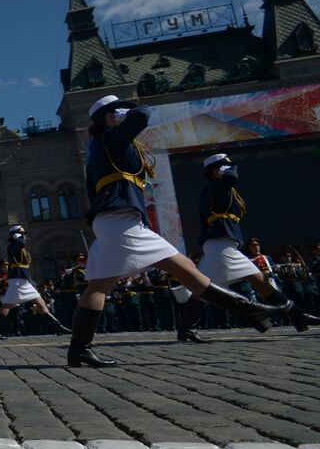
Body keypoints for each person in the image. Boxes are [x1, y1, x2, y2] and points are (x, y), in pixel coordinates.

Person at [65, 96, 290, 367]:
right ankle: (251, 310)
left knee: (174, 271)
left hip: (118, 220)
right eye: (117, 110)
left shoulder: (105, 144)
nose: (124, 112)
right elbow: (143, 114)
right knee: (172, 274)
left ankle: (79, 349)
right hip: (120, 220)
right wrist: (127, 115)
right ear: (110, 116)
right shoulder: (111, 137)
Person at [178, 154, 316, 342]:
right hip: (221, 245)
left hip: (226, 245)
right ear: (214, 171)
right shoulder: (214, 187)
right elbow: (232, 177)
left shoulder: (221, 188)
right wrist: (231, 166)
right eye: (222, 167)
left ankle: (297, 316)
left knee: (260, 281)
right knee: (203, 290)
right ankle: (187, 328)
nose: (227, 169)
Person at [0, 225, 68, 337]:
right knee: (7, 306)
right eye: (22, 234)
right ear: (16, 235)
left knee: (41, 304)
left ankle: (58, 327)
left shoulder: (20, 246)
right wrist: (18, 237)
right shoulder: (13, 246)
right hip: (17, 279)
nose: (24, 236)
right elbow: (21, 243)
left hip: (24, 280)